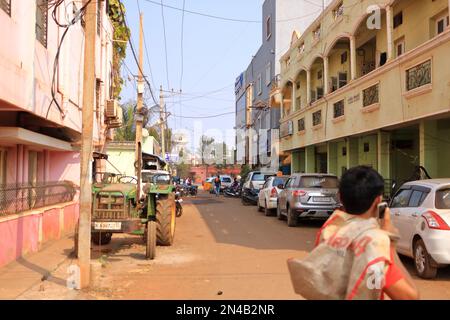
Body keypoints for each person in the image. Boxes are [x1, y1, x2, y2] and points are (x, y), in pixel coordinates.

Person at [317, 166, 419, 300]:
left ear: (340, 197)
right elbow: (410, 297)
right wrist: (391, 247)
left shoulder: (329, 229)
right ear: (378, 201)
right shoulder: (373, 245)